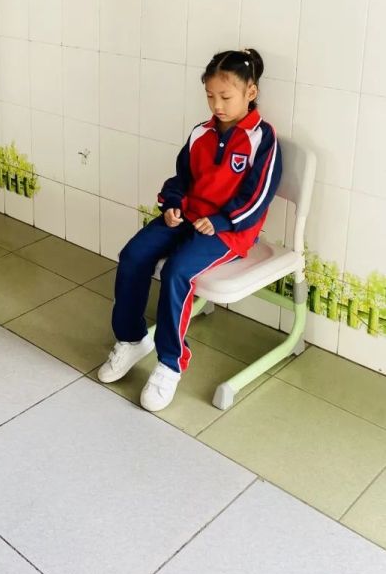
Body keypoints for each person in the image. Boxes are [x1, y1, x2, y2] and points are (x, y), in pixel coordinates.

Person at [97, 49, 281, 411]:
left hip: (228, 231)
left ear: (251, 92)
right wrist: (172, 205)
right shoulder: (201, 133)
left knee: (178, 271)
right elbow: (182, 178)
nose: (217, 105)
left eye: (225, 96)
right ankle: (132, 340)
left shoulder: (263, 139)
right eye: (210, 96)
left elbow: (258, 196)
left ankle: (170, 362)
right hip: (188, 216)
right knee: (134, 255)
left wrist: (222, 221)